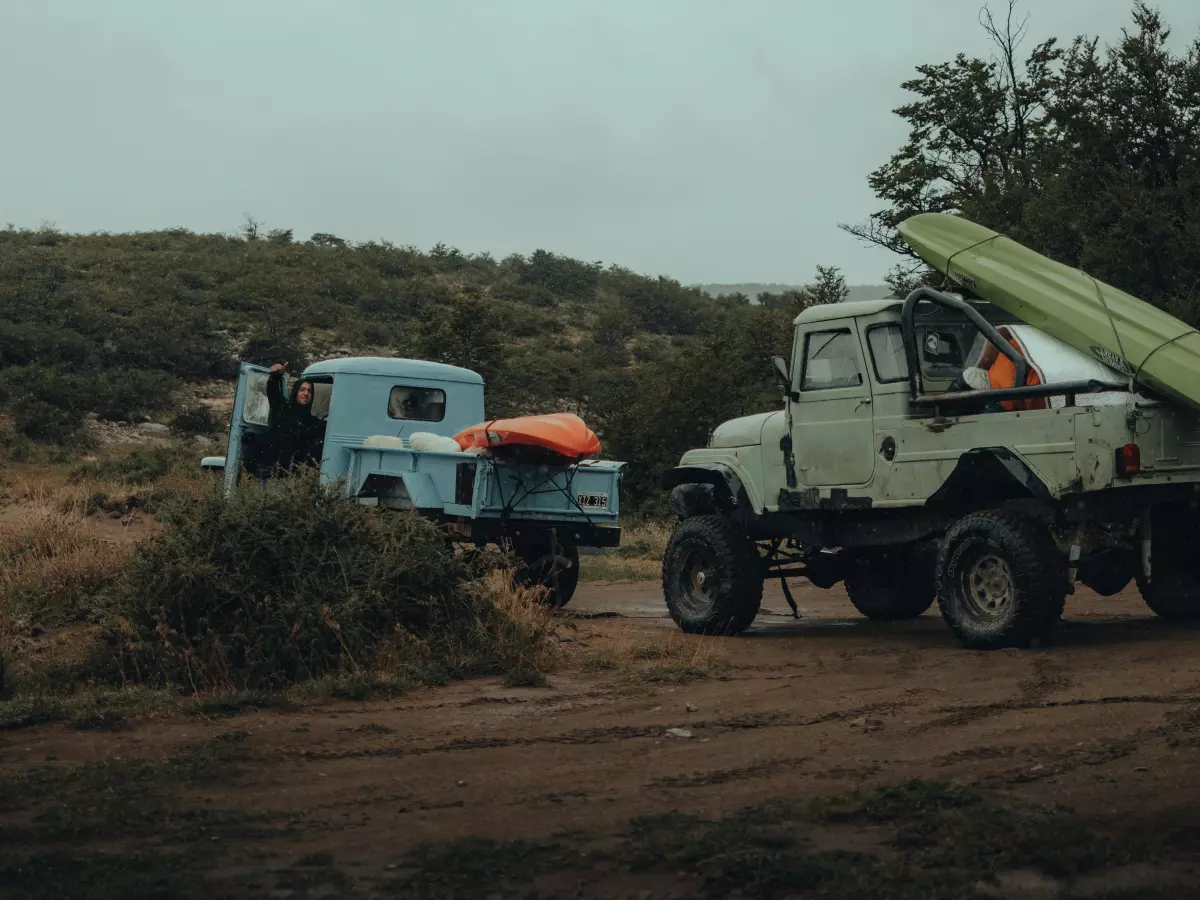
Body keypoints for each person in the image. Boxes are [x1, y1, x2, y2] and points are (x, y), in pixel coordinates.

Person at [264, 362, 326, 472]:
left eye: (309, 391)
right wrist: (275, 376)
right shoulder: (283, 408)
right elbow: (273, 392)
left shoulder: (311, 421)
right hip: (275, 472)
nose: (306, 394)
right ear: (296, 391)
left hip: (296, 474)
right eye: (302, 390)